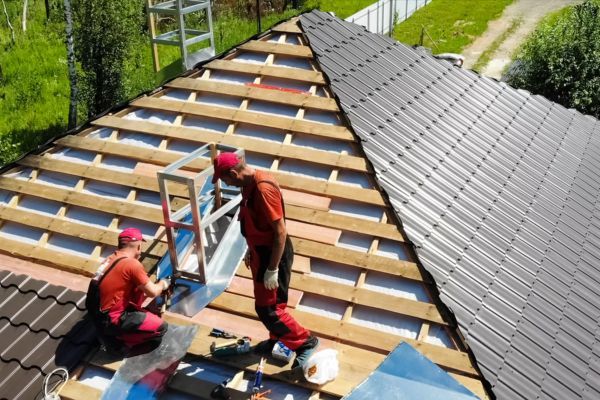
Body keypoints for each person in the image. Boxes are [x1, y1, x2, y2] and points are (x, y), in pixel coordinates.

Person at [212, 152, 319, 368]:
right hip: (261, 251)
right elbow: (254, 221)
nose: (227, 184)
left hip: (272, 254)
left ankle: (305, 342)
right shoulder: (248, 184)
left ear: (234, 173)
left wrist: (272, 268)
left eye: (226, 180)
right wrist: (251, 249)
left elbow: (280, 232)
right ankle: (277, 339)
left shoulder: (263, 189)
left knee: (268, 309)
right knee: (273, 303)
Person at [95, 227, 170, 352]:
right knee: (161, 327)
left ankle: (119, 333)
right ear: (139, 246)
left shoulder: (110, 259)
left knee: (138, 289)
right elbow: (153, 292)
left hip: (101, 317)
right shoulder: (132, 264)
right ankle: (122, 342)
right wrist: (163, 284)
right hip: (115, 320)